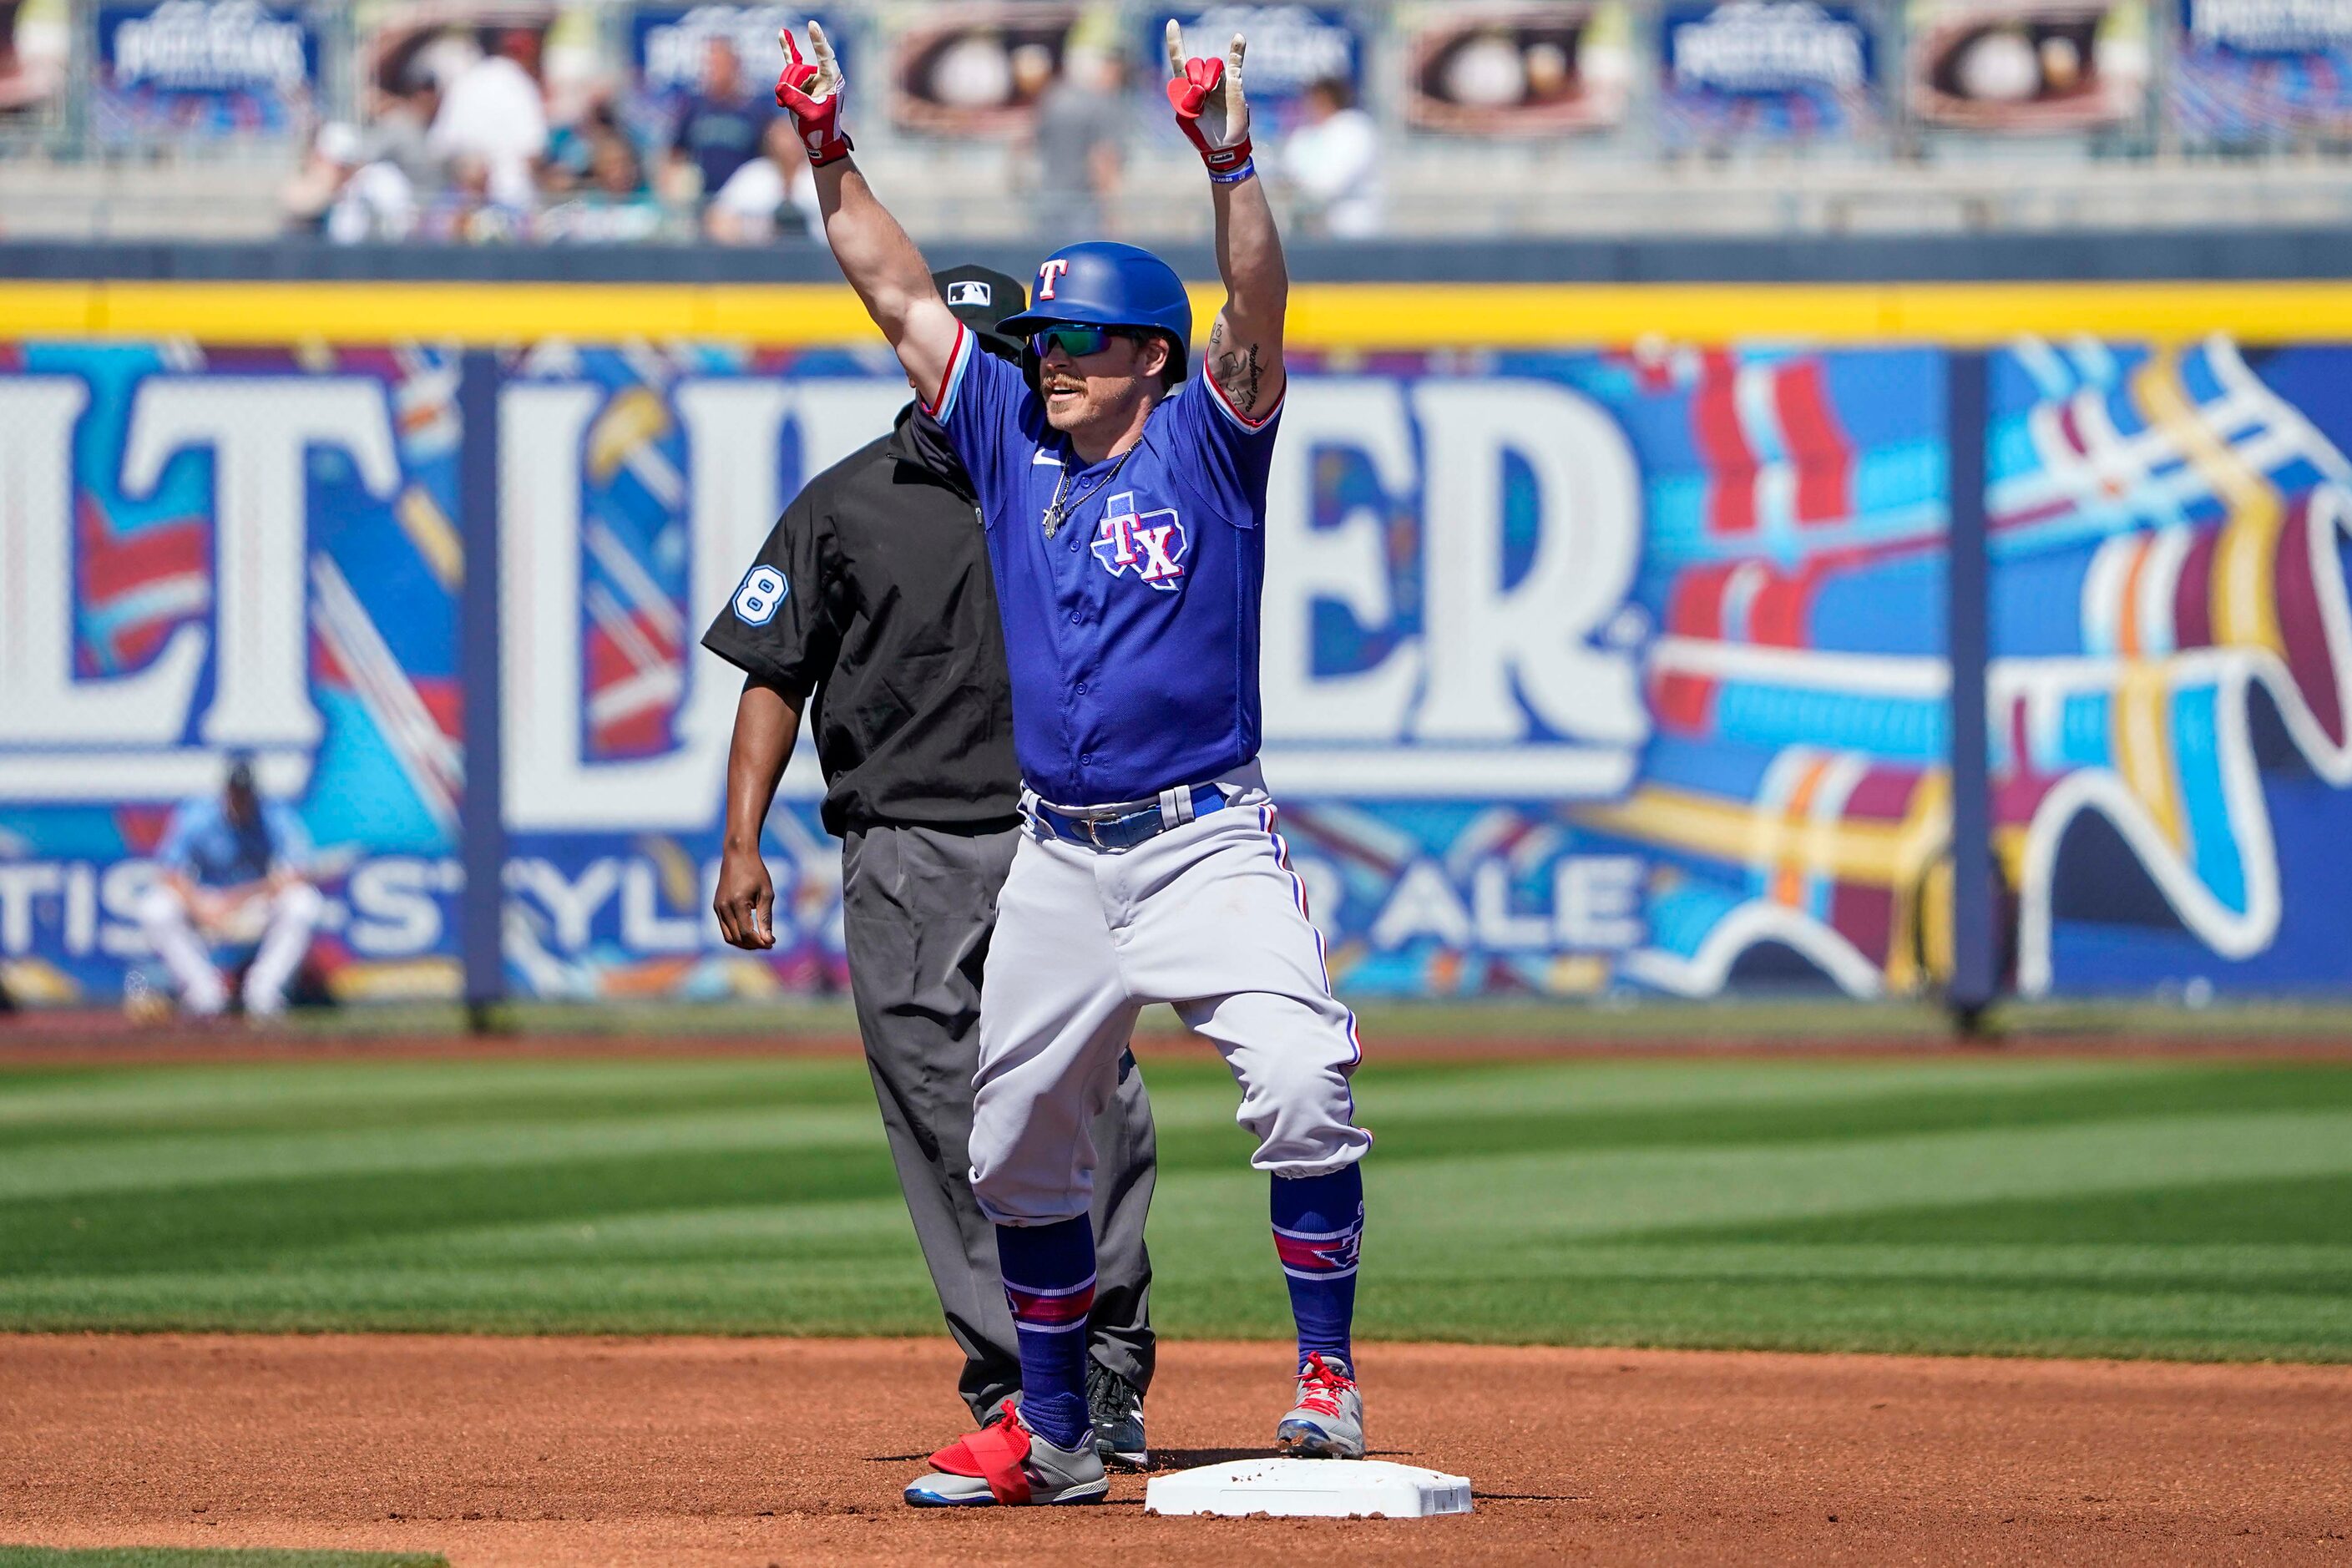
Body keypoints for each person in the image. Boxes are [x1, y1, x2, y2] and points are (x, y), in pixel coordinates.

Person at [772, 18, 1371, 1509]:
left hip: (1202, 839)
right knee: (1014, 1148)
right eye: (1042, 342)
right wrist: (827, 148)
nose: (1052, 362)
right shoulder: (1006, 440)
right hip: (1059, 851)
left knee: (1299, 1081)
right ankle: (1048, 1435)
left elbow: (1255, 299)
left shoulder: (1209, 440)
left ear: (1150, 360)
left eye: (1081, 341)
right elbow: (894, 287)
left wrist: (1227, 155)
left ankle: (1324, 1376)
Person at [701, 263, 1160, 1470]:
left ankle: (1108, 1365)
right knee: (941, 1112)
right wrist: (742, 837)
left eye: (998, 344)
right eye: (945, 339)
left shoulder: (1089, 486)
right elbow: (772, 670)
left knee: (1096, 1100)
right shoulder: (845, 501)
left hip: (1057, 830)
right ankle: (1019, 1379)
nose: (973, 361)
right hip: (901, 841)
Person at [136, 754, 322, 1019]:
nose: (240, 800)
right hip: (208, 900)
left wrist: (239, 899)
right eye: (235, 793)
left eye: (245, 793)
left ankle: (264, 995)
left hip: (256, 903)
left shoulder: (273, 815)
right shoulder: (199, 815)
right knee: (155, 908)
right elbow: (168, 872)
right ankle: (204, 995)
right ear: (225, 792)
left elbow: (299, 872)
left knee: (304, 903)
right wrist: (199, 906)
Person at [1026, 44, 1125, 239]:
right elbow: (1102, 158)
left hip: (1048, 200)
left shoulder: (1052, 99)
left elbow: (1030, 143)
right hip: (1083, 205)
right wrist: (1111, 213)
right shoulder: (1100, 104)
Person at [670, 38, 772, 202]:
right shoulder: (694, 108)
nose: (712, 71)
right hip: (700, 199)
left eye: (719, 64)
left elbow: (768, 157)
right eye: (709, 65)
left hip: (742, 199)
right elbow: (675, 152)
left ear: (735, 66)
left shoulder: (755, 111)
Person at [1280, 75, 1380, 238]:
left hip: (1353, 229)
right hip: (1310, 230)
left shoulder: (1355, 129)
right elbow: (1288, 171)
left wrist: (1297, 188)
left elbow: (1332, 183)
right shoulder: (1304, 135)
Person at [704, 116, 820, 245]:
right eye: (783, 136)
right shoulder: (754, 174)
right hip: (761, 257)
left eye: (794, 135)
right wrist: (749, 231)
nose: (789, 143)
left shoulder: (820, 174)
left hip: (820, 257)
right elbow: (716, 217)